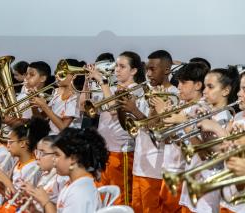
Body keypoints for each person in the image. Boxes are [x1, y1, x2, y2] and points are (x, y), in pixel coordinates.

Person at [86, 51, 145, 205]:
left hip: (121, 152)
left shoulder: (136, 89)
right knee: (104, 198)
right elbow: (85, 108)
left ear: (134, 71)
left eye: (122, 66)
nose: (116, 70)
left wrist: (103, 82)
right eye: (116, 66)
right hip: (104, 151)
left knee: (121, 197)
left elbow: (114, 109)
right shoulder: (111, 89)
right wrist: (87, 81)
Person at [180, 66, 239, 213]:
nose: (204, 91)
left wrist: (185, 125)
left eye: (210, 87)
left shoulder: (225, 117)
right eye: (205, 86)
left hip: (207, 190)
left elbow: (207, 154)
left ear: (226, 91)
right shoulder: (203, 110)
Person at [124, 50, 177, 213]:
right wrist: (123, 108)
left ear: (167, 70)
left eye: (153, 69)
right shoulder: (146, 93)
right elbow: (135, 128)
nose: (148, 74)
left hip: (155, 168)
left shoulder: (175, 95)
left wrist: (135, 111)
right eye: (147, 69)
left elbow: (158, 130)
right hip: (140, 164)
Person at [161, 62, 209, 213]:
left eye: (183, 82)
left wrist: (181, 122)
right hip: (171, 170)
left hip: (182, 173)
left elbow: (196, 149)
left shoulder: (202, 109)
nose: (179, 86)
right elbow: (168, 139)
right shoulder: (183, 105)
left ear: (198, 85)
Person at [0, 117, 50, 213]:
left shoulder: (32, 168)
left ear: (22, 143)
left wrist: (6, 181)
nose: (7, 145)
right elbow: (9, 194)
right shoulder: (18, 163)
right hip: (7, 207)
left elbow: (23, 200)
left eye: (10, 141)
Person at [28, 127, 108, 213]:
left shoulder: (80, 192)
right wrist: (35, 210)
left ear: (73, 159)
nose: (53, 159)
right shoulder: (73, 184)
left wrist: (46, 203)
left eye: (57, 155)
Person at [31, 59, 82, 135]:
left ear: (74, 76)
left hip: (67, 141)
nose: (56, 75)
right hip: (51, 138)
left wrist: (44, 106)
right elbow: (41, 120)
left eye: (62, 73)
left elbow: (64, 128)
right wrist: (33, 104)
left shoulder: (76, 97)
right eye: (56, 72)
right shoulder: (56, 94)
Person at [19, 135, 69, 212]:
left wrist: (38, 195)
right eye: (37, 152)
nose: (37, 157)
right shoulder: (44, 174)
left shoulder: (63, 179)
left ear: (57, 155)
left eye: (42, 153)